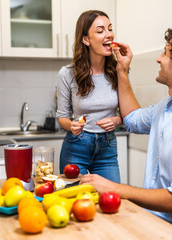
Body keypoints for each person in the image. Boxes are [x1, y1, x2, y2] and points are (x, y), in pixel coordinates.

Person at [80, 23, 172, 239]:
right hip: (155, 223)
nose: (159, 58)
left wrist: (114, 188)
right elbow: (132, 119)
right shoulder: (167, 107)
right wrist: (122, 70)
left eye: (165, 52)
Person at [56, 10, 122, 183]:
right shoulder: (68, 73)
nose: (109, 35)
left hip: (107, 150)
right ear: (86, 39)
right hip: (76, 147)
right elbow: (61, 117)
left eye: (110, 29)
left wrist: (116, 121)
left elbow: (128, 114)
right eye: (100, 31)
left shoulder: (118, 71)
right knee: (76, 203)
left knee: (112, 201)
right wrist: (71, 125)